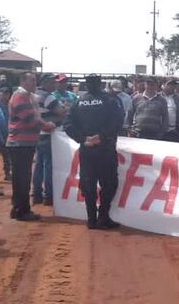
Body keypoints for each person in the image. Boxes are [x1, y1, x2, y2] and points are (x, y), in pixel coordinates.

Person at [64, 74, 124, 229]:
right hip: (105, 149)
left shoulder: (78, 102)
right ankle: (103, 216)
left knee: (88, 183)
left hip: (87, 149)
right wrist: (102, 136)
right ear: (101, 84)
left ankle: (91, 218)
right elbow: (118, 121)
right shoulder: (110, 101)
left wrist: (83, 138)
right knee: (109, 183)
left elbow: (67, 124)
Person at [7, 72, 56, 221]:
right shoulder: (21, 96)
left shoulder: (27, 96)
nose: (35, 83)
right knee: (22, 178)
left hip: (23, 142)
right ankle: (23, 210)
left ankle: (18, 208)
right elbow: (30, 119)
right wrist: (48, 126)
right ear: (23, 82)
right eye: (32, 80)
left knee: (20, 177)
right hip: (20, 142)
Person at [32, 73, 64, 206]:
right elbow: (60, 111)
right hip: (49, 133)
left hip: (38, 133)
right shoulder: (48, 96)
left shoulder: (34, 95)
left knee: (39, 165)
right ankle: (49, 195)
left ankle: (37, 193)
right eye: (51, 82)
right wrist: (66, 108)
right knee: (48, 165)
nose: (54, 84)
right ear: (44, 82)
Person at [0, 87, 13, 181]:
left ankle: (7, 172)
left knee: (7, 155)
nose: (4, 94)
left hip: (7, 133)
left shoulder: (11, 105)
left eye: (6, 92)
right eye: (2, 92)